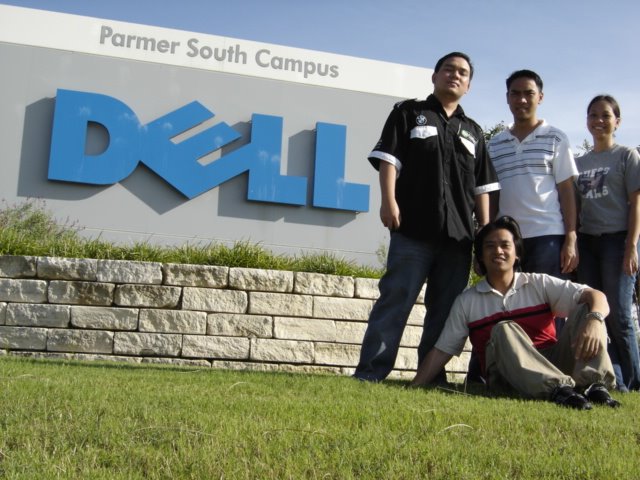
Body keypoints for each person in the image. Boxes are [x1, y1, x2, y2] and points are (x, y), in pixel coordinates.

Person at [353, 52, 500, 382]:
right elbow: (389, 160)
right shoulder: (408, 113)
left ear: (469, 85)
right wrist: (388, 201)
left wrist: (485, 234)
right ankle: (371, 372)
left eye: (462, 73)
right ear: (435, 76)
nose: (455, 75)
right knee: (395, 300)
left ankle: (431, 377)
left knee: (444, 312)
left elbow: (482, 188)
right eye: (449, 69)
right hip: (412, 230)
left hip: (458, 239)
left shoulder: (474, 131)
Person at [411, 216, 619, 409]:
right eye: (490, 246)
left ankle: (594, 387)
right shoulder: (467, 301)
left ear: (517, 252)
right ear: (481, 256)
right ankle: (558, 390)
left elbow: (597, 296)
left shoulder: (538, 283)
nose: (498, 251)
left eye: (505, 245)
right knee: (503, 328)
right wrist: (415, 386)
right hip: (506, 375)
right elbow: (442, 350)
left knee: (588, 307)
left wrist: (595, 319)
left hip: (551, 362)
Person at [575, 94, 640, 392]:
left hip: (618, 241)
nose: (598, 121)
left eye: (605, 115)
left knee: (621, 315)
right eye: (593, 115)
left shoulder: (627, 156)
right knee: (597, 312)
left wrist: (631, 247)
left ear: (617, 121)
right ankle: (615, 379)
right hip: (587, 243)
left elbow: (636, 204)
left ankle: (635, 380)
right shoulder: (578, 162)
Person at [487, 70, 579, 278]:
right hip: (506, 239)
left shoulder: (556, 138)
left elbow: (567, 191)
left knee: (548, 298)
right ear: (507, 97)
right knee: (509, 298)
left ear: (540, 97)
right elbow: (492, 195)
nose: (521, 100)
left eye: (529, 93)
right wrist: (487, 234)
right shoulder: (494, 145)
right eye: (515, 93)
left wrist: (571, 237)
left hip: (548, 237)